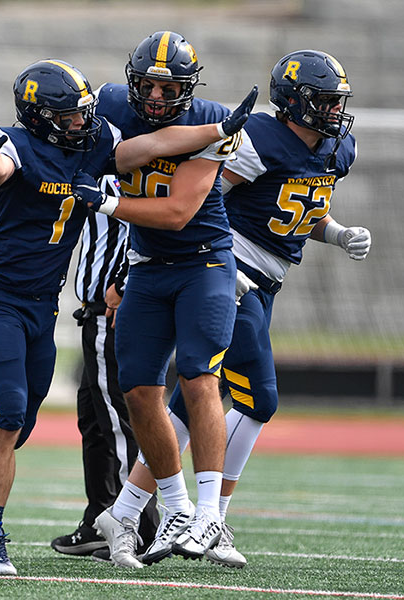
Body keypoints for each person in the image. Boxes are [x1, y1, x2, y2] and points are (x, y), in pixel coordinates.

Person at [0, 58, 254, 575]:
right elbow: (0, 170)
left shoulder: (94, 144)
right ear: (41, 116)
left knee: (19, 424)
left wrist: (221, 128)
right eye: (70, 115)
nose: (83, 121)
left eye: (84, 111)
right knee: (9, 415)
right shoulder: (12, 142)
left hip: (42, 307)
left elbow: (150, 146)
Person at [164, 49, 370, 568]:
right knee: (258, 399)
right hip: (234, 273)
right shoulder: (260, 137)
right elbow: (201, 197)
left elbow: (299, 209)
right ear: (294, 102)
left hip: (265, 279)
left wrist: (338, 233)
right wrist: (215, 264)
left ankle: (131, 509)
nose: (333, 112)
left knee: (194, 399)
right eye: (323, 101)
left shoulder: (336, 148)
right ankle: (210, 518)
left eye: (336, 101)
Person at [71, 31, 256, 567]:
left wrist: (111, 202)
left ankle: (209, 516)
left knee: (199, 376)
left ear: (188, 87)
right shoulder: (108, 103)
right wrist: (191, 137)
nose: (155, 96)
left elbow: (177, 212)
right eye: (147, 85)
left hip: (204, 262)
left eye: (168, 86)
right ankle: (171, 507)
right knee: (138, 391)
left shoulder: (216, 116)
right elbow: (120, 154)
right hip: (147, 268)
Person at [50, 175, 159, 558]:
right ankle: (100, 516)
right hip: (98, 310)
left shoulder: (139, 169)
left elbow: (155, 227)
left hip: (114, 310)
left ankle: (140, 524)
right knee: (95, 421)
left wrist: (124, 284)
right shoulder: (100, 159)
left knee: (117, 420)